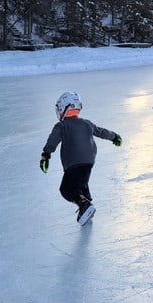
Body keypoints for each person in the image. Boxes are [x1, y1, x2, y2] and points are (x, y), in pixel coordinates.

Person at [40, 91, 122, 225]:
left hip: (73, 163)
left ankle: (84, 205)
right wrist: (114, 136)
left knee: (66, 189)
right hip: (89, 161)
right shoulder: (87, 123)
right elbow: (100, 131)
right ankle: (87, 204)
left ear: (64, 108)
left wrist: (46, 155)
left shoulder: (61, 126)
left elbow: (52, 141)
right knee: (81, 184)